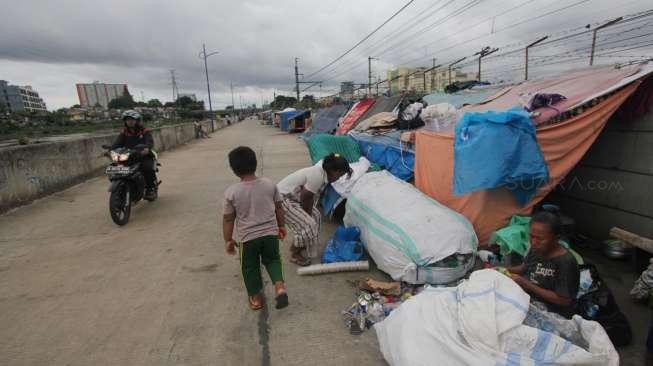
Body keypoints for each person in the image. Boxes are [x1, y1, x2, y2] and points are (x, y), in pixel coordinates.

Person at [223, 146, 288, 311]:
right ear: (255, 163)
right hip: (270, 234)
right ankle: (280, 287)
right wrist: (281, 226)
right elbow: (279, 207)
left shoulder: (232, 192)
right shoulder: (269, 185)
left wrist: (228, 240)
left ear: (234, 170)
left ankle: (255, 297)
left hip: (248, 238)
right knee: (273, 260)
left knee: (249, 267)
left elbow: (228, 218)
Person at [277, 153, 352, 266]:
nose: (339, 178)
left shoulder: (322, 174)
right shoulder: (317, 175)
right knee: (308, 224)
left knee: (316, 217)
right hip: (281, 200)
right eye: (340, 174)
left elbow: (310, 197)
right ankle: (294, 253)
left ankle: (304, 247)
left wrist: (309, 214)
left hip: (293, 198)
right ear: (332, 170)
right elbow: (306, 197)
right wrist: (307, 216)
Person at [507, 211, 580, 318]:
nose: (534, 242)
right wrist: (504, 270)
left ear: (556, 238)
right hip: (527, 298)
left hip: (550, 312)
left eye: (540, 238)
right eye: (531, 236)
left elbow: (564, 300)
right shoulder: (536, 248)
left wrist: (525, 283)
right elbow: (525, 267)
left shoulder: (566, 262)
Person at [111, 110, 157, 200]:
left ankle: (150, 189)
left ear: (137, 120)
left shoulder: (144, 131)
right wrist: (110, 150)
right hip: (128, 156)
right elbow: (117, 144)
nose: (130, 121)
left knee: (147, 168)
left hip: (143, 155)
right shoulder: (124, 132)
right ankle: (123, 188)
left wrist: (147, 148)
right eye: (127, 120)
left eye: (132, 119)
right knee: (115, 168)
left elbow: (149, 141)